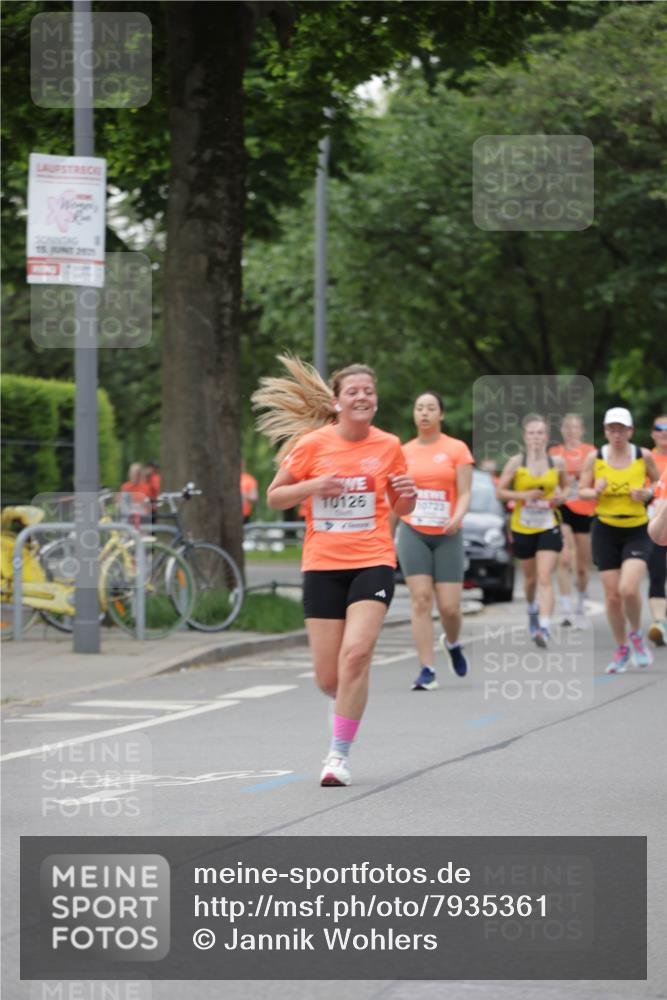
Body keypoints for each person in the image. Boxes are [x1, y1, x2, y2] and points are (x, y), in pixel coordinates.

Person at [254, 356, 417, 788]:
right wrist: (313, 486)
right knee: (330, 677)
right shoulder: (312, 445)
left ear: (376, 402)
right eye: (353, 391)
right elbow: (275, 497)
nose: (362, 397)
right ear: (337, 400)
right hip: (323, 564)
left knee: (356, 655)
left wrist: (409, 495)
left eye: (368, 391)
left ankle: (337, 756)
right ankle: (345, 699)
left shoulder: (389, 446)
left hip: (373, 559)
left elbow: (403, 508)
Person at [394, 391, 474, 690]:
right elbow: (395, 499)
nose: (424, 413)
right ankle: (427, 669)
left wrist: (458, 516)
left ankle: (452, 643)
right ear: (414, 415)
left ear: (441, 414)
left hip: (447, 533)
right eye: (419, 408)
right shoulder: (402, 452)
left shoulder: (456, 449)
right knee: (421, 600)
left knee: (450, 608)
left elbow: (465, 491)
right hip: (413, 530)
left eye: (431, 408)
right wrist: (386, 538)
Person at [579, 406, 660, 672]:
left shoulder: (642, 455)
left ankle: (636, 634)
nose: (616, 434)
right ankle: (622, 646)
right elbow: (582, 490)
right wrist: (595, 490)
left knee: (628, 588)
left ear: (630, 431)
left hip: (637, 529)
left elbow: (660, 486)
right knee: (612, 596)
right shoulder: (596, 457)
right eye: (612, 429)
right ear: (605, 431)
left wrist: (647, 493)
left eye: (621, 429)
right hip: (605, 529)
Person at [497, 414, 567, 647]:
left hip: (548, 524)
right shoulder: (517, 463)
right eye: (531, 433)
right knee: (530, 579)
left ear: (546, 437)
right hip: (523, 526)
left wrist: (560, 497)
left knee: (545, 576)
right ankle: (532, 608)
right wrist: (523, 496)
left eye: (540, 433)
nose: (536, 437)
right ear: (525, 437)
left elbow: (567, 488)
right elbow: (500, 491)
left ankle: (544, 628)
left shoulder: (556, 463)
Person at [548, 414, 597, 628]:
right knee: (565, 558)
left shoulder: (592, 453)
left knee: (582, 566)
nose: (570, 431)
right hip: (563, 508)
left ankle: (581, 604)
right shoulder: (554, 453)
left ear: (582, 430)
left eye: (575, 427)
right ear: (562, 430)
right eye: (567, 427)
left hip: (585, 510)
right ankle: (567, 610)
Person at [646, 414, 667, 645]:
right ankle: (659, 622)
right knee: (657, 571)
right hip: (655, 518)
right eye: (659, 428)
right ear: (653, 433)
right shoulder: (645, 458)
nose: (664, 432)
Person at [120, 462, 151, 529]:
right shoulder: (125, 487)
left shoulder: (146, 487)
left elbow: (147, 505)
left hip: (142, 517)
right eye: (133, 473)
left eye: (137, 474)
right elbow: (123, 503)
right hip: (129, 516)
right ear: (129, 474)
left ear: (140, 475)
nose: (135, 476)